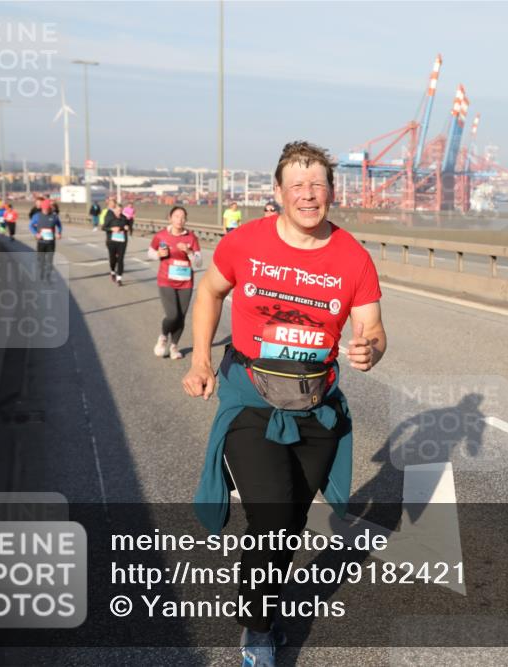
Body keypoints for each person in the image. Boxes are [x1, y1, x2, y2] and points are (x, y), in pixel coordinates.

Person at [184, 141, 386, 667]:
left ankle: (264, 598)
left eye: (317, 184)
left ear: (331, 192)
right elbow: (208, 293)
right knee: (271, 517)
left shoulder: (353, 258)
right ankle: (257, 629)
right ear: (277, 193)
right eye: (296, 185)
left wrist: (369, 350)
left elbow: (375, 331)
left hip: (316, 405)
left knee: (290, 524)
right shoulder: (244, 243)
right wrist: (201, 361)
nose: (307, 194)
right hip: (250, 399)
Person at [148, 206, 202, 359]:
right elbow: (150, 252)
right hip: (166, 280)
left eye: (183, 217)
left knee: (181, 316)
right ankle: (164, 336)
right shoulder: (161, 236)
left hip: (185, 282)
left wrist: (189, 252)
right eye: (177, 216)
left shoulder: (191, 237)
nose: (180, 219)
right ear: (170, 218)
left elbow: (199, 262)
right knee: (172, 315)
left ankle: (174, 346)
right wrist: (159, 253)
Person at [29, 199, 62, 281]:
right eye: (44, 209)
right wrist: (36, 234)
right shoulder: (37, 216)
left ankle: (48, 275)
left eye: (48, 209)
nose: (46, 210)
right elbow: (31, 226)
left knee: (50, 260)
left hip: (51, 242)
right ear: (42, 208)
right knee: (41, 259)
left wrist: (59, 233)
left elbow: (59, 225)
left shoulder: (54, 216)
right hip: (41, 242)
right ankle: (42, 271)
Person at [103, 201, 131, 285]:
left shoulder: (124, 218)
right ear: (114, 210)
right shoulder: (109, 217)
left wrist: (127, 227)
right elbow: (104, 227)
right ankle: (112, 271)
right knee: (113, 259)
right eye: (118, 210)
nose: (119, 212)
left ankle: (119, 278)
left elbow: (128, 226)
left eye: (121, 211)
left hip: (122, 241)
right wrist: (112, 229)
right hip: (111, 241)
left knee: (120, 259)